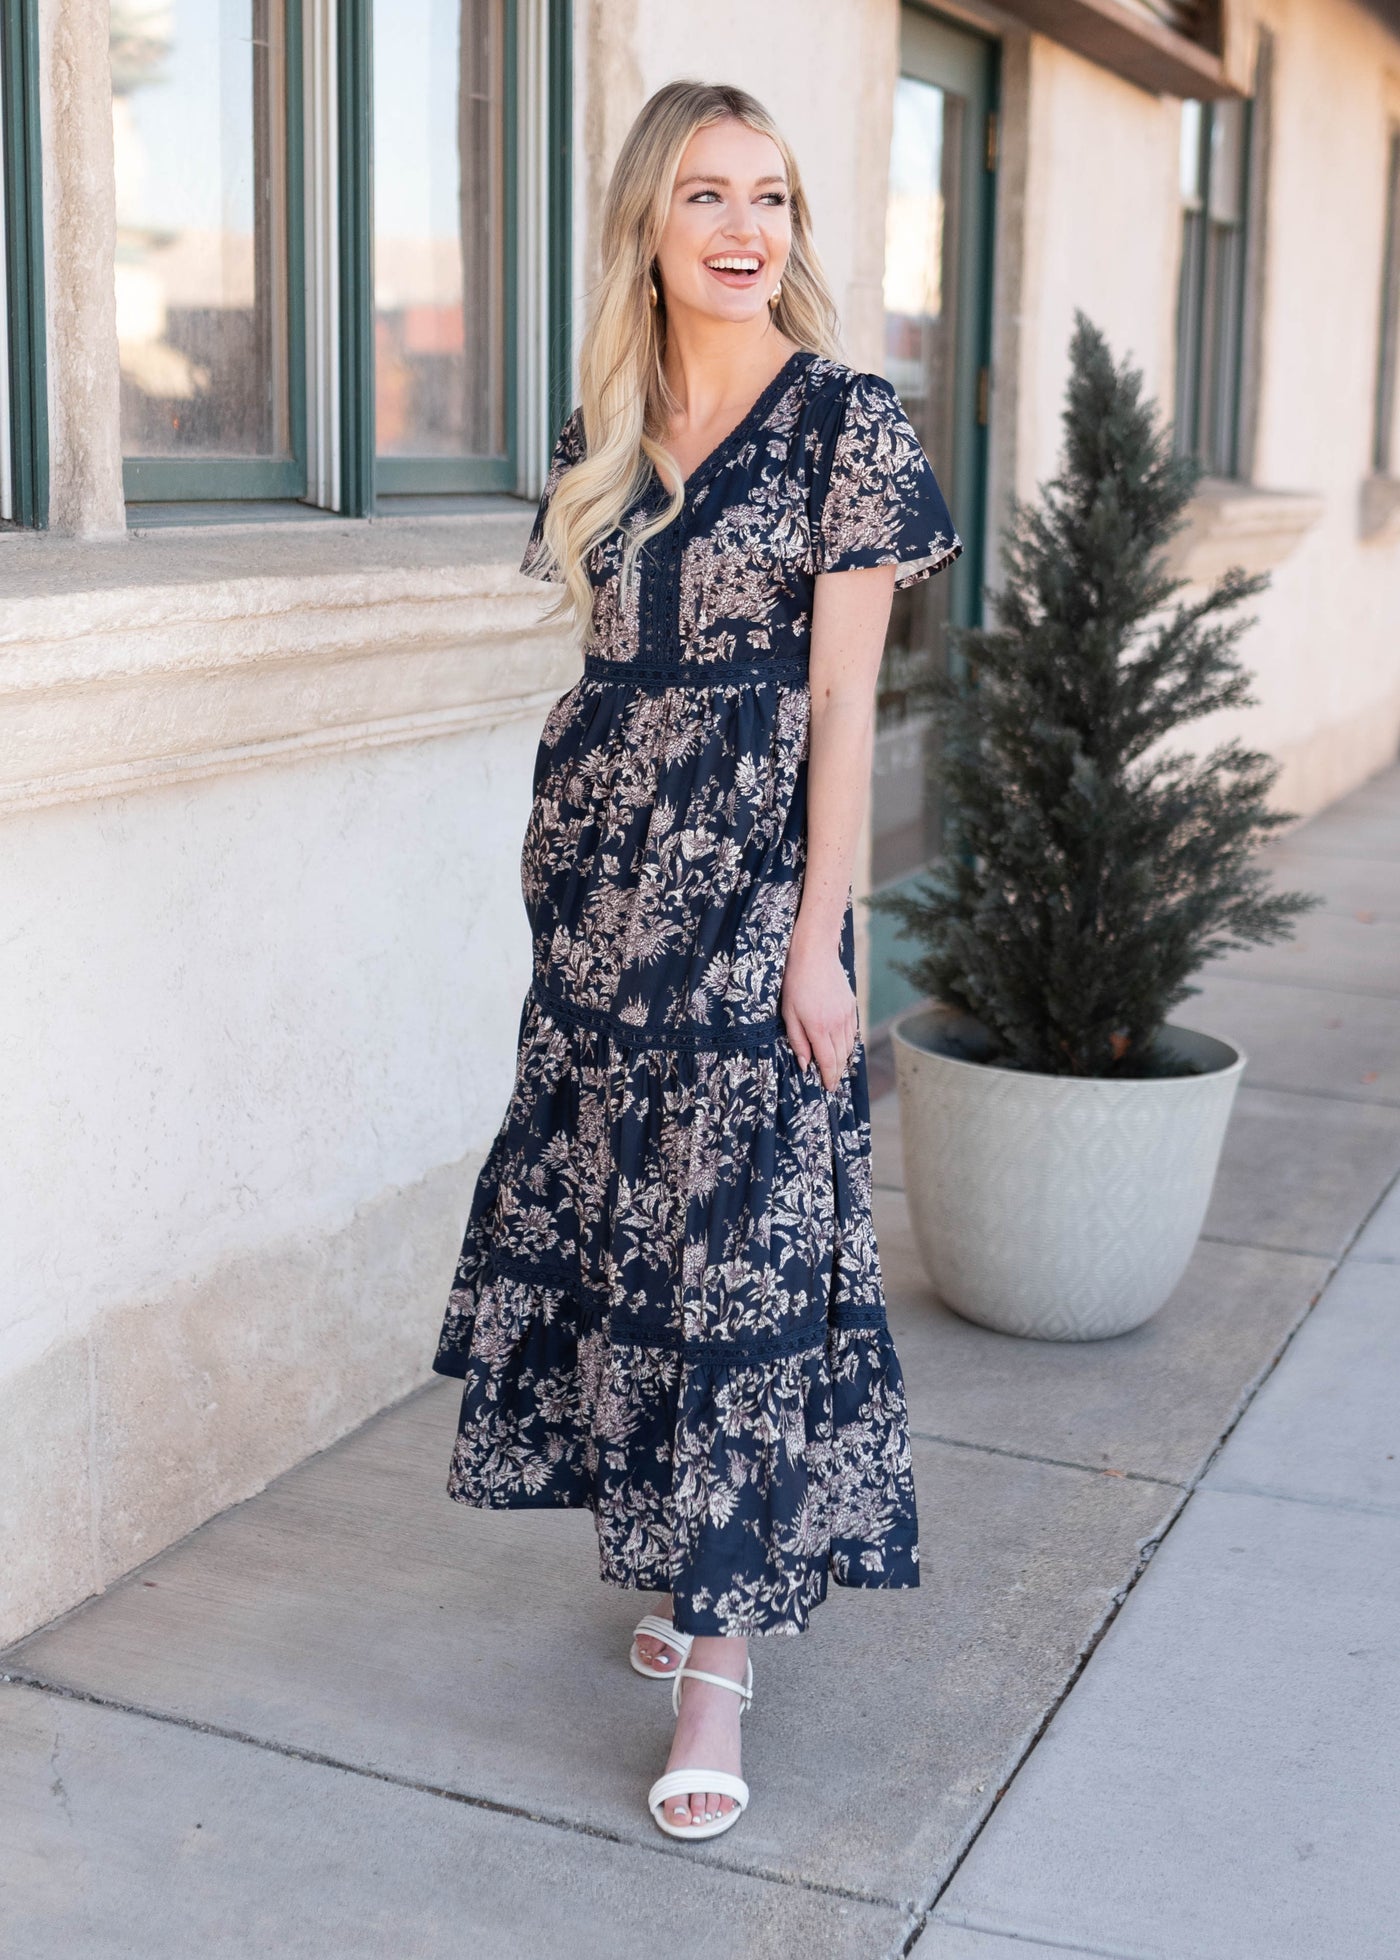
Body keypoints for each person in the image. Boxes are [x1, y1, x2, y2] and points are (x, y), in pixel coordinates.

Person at [430, 77, 961, 1843]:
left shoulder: (846, 425)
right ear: (648, 232)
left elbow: (836, 700)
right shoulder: (607, 427)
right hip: (595, 912)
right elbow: (598, 677)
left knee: (744, 1264)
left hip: (754, 916)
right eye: (710, 198)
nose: (748, 230)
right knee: (633, 1247)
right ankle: (682, 1572)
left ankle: (721, 1663)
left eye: (775, 198)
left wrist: (823, 942)